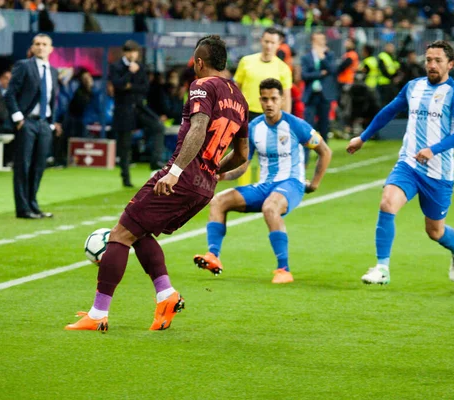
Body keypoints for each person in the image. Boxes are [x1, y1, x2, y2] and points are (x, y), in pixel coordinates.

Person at [65, 35, 249, 332]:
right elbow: (242, 154)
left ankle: (98, 314)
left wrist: (175, 171)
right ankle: (166, 295)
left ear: (199, 63)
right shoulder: (240, 98)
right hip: (203, 187)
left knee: (120, 234)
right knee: (138, 232)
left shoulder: (202, 86)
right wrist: (214, 172)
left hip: (183, 175)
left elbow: (199, 128)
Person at [346, 40, 454, 285]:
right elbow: (388, 111)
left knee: (434, 232)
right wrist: (363, 137)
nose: (432, 65)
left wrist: (433, 150)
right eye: (428, 60)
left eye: (438, 60)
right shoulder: (413, 87)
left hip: (439, 173)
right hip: (409, 165)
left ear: (451, 64)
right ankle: (382, 268)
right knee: (387, 203)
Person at [194, 78, 331, 283]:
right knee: (218, 201)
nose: (269, 103)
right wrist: (222, 174)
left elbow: (325, 151)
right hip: (264, 187)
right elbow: (243, 164)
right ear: (259, 99)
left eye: (273, 99)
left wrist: (314, 184)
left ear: (282, 100)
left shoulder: (296, 125)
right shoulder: (254, 128)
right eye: (265, 99)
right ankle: (213, 256)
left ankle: (283, 270)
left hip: (290, 184)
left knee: (270, 207)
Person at [5, 33, 59, 220]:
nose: (41, 47)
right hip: (27, 122)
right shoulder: (23, 66)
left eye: (45, 44)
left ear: (51, 49)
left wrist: (52, 123)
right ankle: (23, 208)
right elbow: (10, 93)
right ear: (32, 47)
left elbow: (53, 98)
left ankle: (33, 204)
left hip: (44, 123)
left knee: (39, 166)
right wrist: (19, 118)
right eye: (37, 44)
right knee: (23, 166)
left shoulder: (53, 71)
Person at [109, 40, 165, 187]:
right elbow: (118, 85)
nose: (133, 54)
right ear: (125, 52)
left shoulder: (140, 67)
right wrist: (129, 74)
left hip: (139, 108)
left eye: (135, 52)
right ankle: (125, 178)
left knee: (158, 126)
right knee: (125, 145)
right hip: (124, 110)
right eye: (130, 51)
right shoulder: (116, 66)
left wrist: (129, 86)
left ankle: (155, 160)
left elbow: (145, 87)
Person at [234, 27, 292, 121]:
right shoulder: (246, 61)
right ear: (261, 41)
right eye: (266, 41)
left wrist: (286, 120)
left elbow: (286, 97)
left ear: (278, 44)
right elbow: (236, 89)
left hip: (270, 114)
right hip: (245, 113)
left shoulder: (283, 68)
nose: (269, 46)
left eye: (272, 43)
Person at [301, 32, 338, 143]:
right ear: (313, 41)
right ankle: (305, 155)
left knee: (324, 125)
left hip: (324, 95)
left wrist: (322, 58)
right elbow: (304, 75)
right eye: (318, 40)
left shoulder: (329, 55)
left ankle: (324, 153)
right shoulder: (306, 57)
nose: (322, 42)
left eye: (323, 39)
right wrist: (320, 73)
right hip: (311, 95)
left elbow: (332, 70)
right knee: (308, 125)